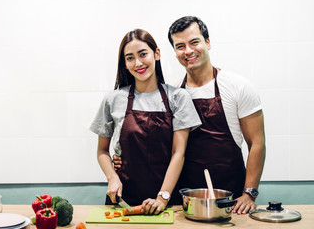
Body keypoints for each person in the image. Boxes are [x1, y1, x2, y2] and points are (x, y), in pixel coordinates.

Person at [114, 17, 266, 215]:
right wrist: (123, 156)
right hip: (183, 200)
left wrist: (249, 194)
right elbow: (164, 145)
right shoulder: (173, 93)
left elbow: (257, 143)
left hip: (231, 198)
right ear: (174, 52)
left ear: (208, 42)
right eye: (180, 46)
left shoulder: (239, 87)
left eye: (194, 42)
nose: (188, 51)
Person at [90, 29, 201, 215]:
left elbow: (178, 153)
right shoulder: (113, 99)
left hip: (166, 201)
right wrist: (112, 178)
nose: (138, 63)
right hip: (123, 201)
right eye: (130, 58)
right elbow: (102, 151)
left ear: (156, 54)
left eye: (143, 54)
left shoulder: (178, 97)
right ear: (124, 64)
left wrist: (162, 197)